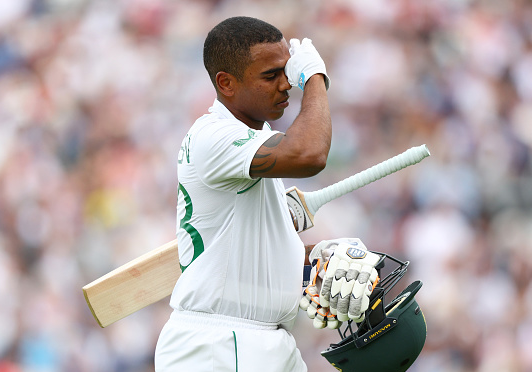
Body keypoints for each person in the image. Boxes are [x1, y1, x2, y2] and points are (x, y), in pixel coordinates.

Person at [154, 16, 379, 372]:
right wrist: (316, 80)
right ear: (226, 83)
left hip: (264, 339)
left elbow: (246, 255)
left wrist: (315, 259)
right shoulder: (214, 135)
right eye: (270, 75)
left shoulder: (256, 142)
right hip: (220, 343)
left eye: (288, 71)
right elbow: (310, 155)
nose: (287, 83)